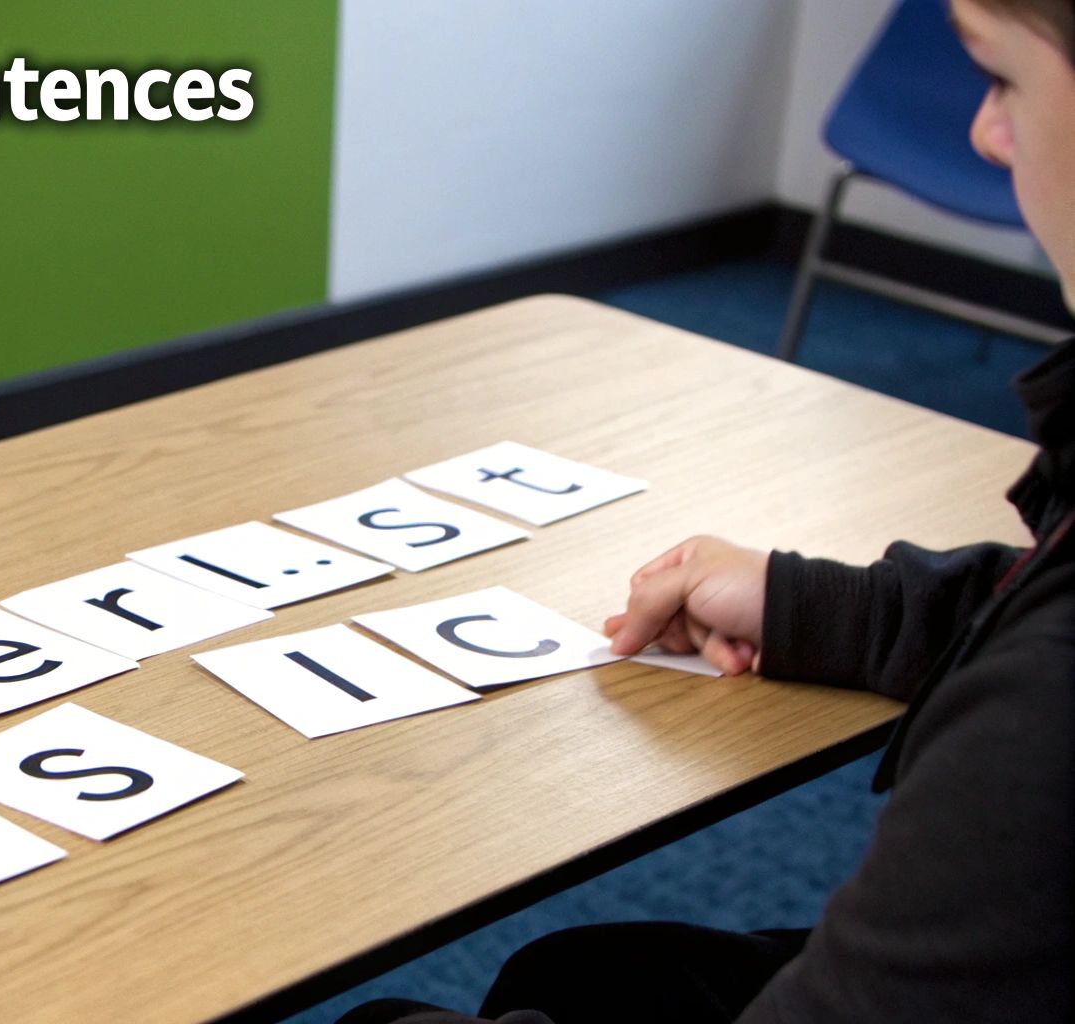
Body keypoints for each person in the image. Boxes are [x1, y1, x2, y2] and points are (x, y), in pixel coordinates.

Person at [341, 0, 1074, 1020]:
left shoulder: (1043, 721)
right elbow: (1024, 597)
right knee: (583, 974)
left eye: (1001, 79)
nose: (984, 132)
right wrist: (808, 602)